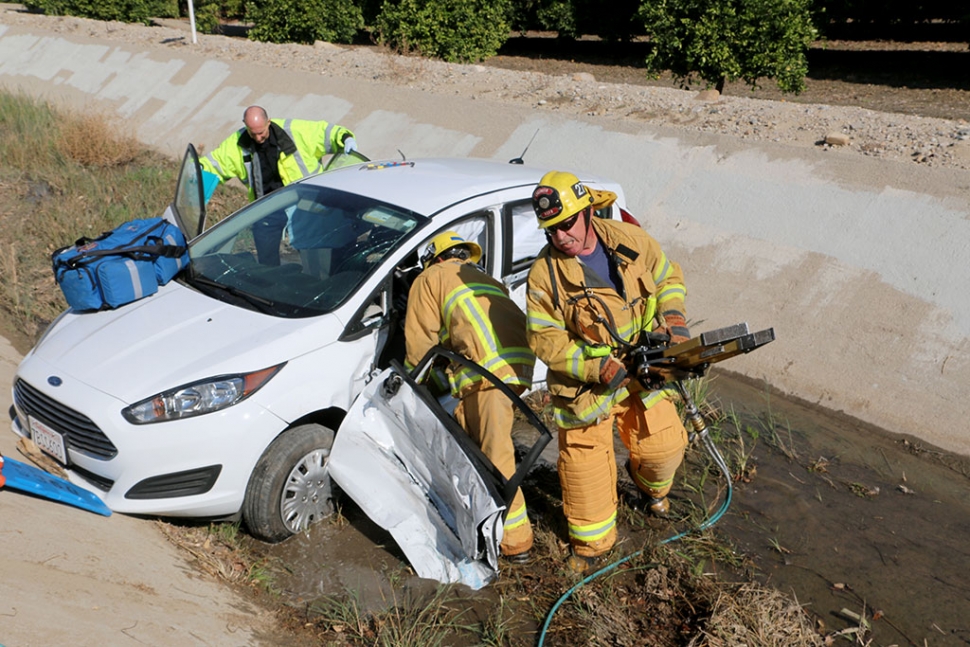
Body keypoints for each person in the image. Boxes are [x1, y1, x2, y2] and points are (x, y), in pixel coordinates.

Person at [525, 170, 690, 574]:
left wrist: (674, 320)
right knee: (587, 477)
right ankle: (592, 549)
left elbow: (667, 274)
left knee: (665, 446)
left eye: (566, 224)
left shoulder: (628, 239)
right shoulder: (544, 276)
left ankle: (651, 490)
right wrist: (598, 367)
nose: (561, 236)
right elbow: (544, 338)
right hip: (588, 389)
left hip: (643, 369)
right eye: (551, 229)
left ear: (586, 211)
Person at [404, 231, 537, 563]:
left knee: (495, 457)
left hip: (487, 374)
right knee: (479, 440)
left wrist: (415, 384)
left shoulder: (430, 277)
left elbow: (419, 347)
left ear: (432, 258)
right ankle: (485, 521)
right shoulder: (481, 276)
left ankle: (516, 541)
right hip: (517, 366)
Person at [200, 105, 357, 265]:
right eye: (253, 133)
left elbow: (327, 132)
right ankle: (270, 281)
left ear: (269, 122)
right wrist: (197, 170)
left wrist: (345, 138)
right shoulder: (237, 144)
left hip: (304, 204)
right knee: (266, 256)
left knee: (314, 250)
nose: (258, 138)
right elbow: (215, 163)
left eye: (261, 133)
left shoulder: (296, 132)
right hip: (267, 206)